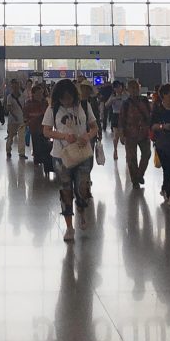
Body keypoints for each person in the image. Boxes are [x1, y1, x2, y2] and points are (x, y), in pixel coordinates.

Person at [42, 78, 99, 242]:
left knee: (83, 186)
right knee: (65, 190)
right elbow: (46, 131)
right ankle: (69, 226)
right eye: (63, 98)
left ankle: (81, 209)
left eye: (69, 97)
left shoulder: (84, 106)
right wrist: (64, 136)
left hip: (82, 154)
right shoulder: (52, 109)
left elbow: (94, 126)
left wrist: (87, 136)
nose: (66, 101)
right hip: (61, 156)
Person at [118, 79, 152, 188]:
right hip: (130, 134)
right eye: (132, 88)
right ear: (128, 90)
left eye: (136, 88)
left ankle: (140, 174)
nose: (134, 90)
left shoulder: (145, 101)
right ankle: (135, 180)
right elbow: (121, 120)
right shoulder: (126, 104)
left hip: (144, 133)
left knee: (146, 154)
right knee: (131, 158)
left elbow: (150, 115)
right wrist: (121, 134)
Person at [24, 84, 49, 173]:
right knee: (36, 143)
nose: (40, 95)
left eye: (41, 93)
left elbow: (48, 113)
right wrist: (27, 121)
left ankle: (44, 160)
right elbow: (26, 114)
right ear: (33, 94)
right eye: (38, 93)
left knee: (45, 143)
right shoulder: (29, 103)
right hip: (34, 127)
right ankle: (37, 159)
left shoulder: (45, 102)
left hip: (45, 127)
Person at [4, 79, 27, 159]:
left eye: (16, 85)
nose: (15, 87)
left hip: (21, 119)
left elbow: (24, 106)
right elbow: (9, 108)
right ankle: (8, 150)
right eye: (13, 86)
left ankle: (22, 153)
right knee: (10, 136)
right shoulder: (9, 97)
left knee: (21, 137)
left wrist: (25, 116)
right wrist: (14, 116)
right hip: (12, 120)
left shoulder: (22, 96)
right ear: (11, 87)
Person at [106, 81, 128, 160]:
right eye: (116, 87)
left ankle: (127, 152)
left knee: (124, 136)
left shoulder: (125, 95)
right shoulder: (113, 96)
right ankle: (115, 151)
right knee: (116, 135)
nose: (118, 89)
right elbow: (106, 105)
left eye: (119, 87)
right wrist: (113, 100)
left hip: (124, 116)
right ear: (114, 88)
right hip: (115, 115)